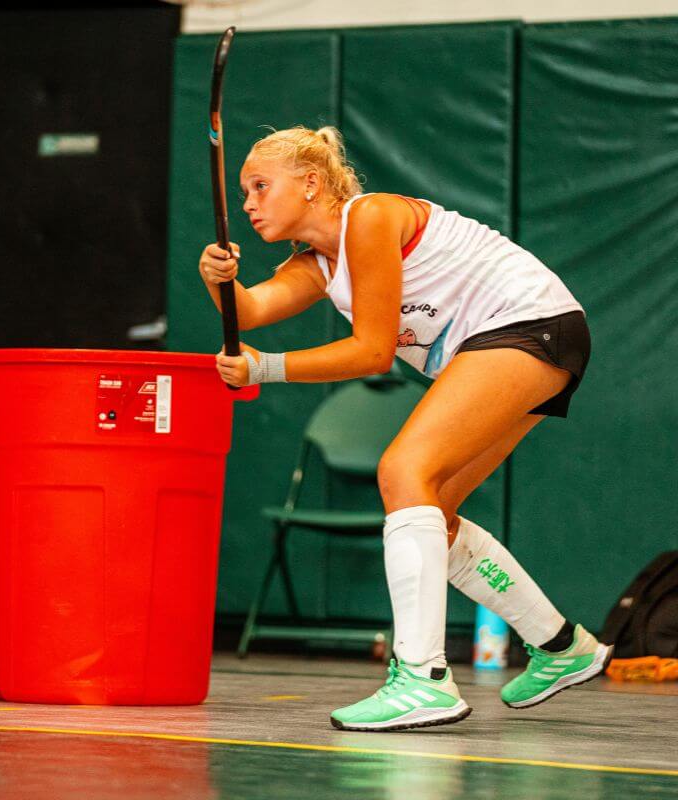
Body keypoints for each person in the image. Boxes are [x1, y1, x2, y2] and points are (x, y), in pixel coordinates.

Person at [199, 125, 612, 731]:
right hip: (535, 337)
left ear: (312, 183)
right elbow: (252, 310)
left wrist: (265, 367)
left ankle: (422, 679)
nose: (249, 204)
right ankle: (559, 646)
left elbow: (372, 352)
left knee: (402, 469)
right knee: (433, 514)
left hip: (527, 325)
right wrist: (221, 283)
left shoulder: (368, 219)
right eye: (244, 193)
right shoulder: (318, 263)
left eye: (260, 186)